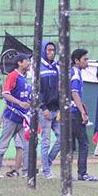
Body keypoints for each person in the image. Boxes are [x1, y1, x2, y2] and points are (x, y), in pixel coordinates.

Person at [0, 53, 31, 178]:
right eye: (27, 61)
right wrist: (19, 103)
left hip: (23, 118)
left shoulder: (25, 78)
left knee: (28, 145)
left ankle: (26, 172)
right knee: (3, 144)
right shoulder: (12, 76)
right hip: (12, 117)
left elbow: (25, 97)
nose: (29, 63)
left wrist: (29, 103)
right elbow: (5, 94)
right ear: (19, 63)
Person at [70, 49, 98, 181]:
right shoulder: (75, 74)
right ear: (76, 61)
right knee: (84, 143)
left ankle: (63, 171)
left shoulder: (72, 72)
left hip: (69, 112)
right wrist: (82, 112)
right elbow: (74, 93)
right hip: (74, 113)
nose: (87, 61)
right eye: (85, 59)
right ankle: (82, 173)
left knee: (68, 144)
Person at [39, 40, 60, 179]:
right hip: (44, 110)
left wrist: (59, 108)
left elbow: (60, 88)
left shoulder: (57, 67)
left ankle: (47, 163)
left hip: (56, 109)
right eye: (48, 50)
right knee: (45, 141)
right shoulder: (39, 68)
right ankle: (46, 172)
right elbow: (37, 90)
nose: (51, 53)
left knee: (63, 138)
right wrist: (43, 107)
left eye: (53, 50)